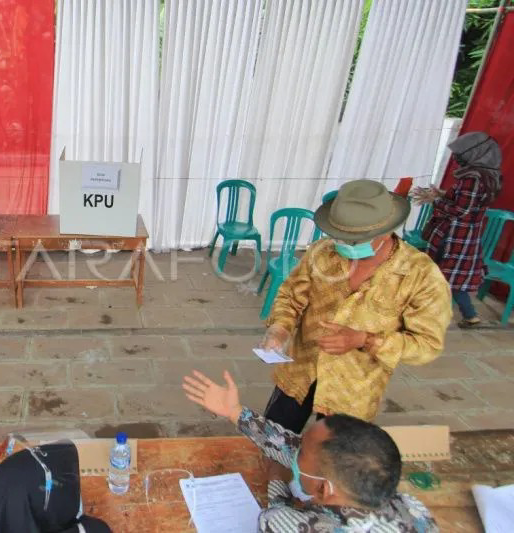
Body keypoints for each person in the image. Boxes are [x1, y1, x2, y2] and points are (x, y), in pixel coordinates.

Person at [262, 179, 452, 432]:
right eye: (338, 236)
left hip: (352, 391)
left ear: (385, 232)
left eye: (354, 239)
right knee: (271, 437)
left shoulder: (421, 275)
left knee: (333, 452)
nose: (342, 244)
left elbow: (427, 345)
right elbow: (290, 296)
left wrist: (365, 340)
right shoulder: (322, 252)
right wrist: (280, 328)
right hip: (299, 372)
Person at [183, 370, 438, 532]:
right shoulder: (414, 510)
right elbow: (286, 445)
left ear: (324, 490)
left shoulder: (292, 525)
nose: (293, 452)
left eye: (301, 452)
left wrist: (276, 480)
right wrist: (236, 413)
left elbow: (271, 517)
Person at [414, 131, 503, 328]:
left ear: (475, 153)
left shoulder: (473, 178)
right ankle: (470, 316)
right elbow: (467, 201)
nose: (456, 157)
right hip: (465, 235)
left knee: (440, 273)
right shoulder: (487, 175)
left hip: (455, 235)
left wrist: (435, 200)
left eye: (460, 153)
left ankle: (428, 316)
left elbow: (462, 210)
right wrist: (442, 194)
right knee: (451, 275)